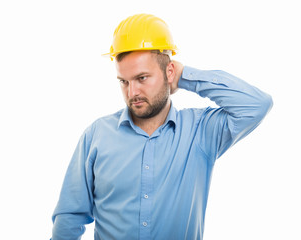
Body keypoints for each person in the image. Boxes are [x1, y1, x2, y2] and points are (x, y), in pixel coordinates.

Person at [50, 14, 273, 240]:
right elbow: (70, 216)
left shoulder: (201, 131)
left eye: (142, 78)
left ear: (169, 72)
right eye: (123, 81)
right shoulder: (96, 135)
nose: (132, 92)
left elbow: (256, 105)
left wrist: (185, 76)